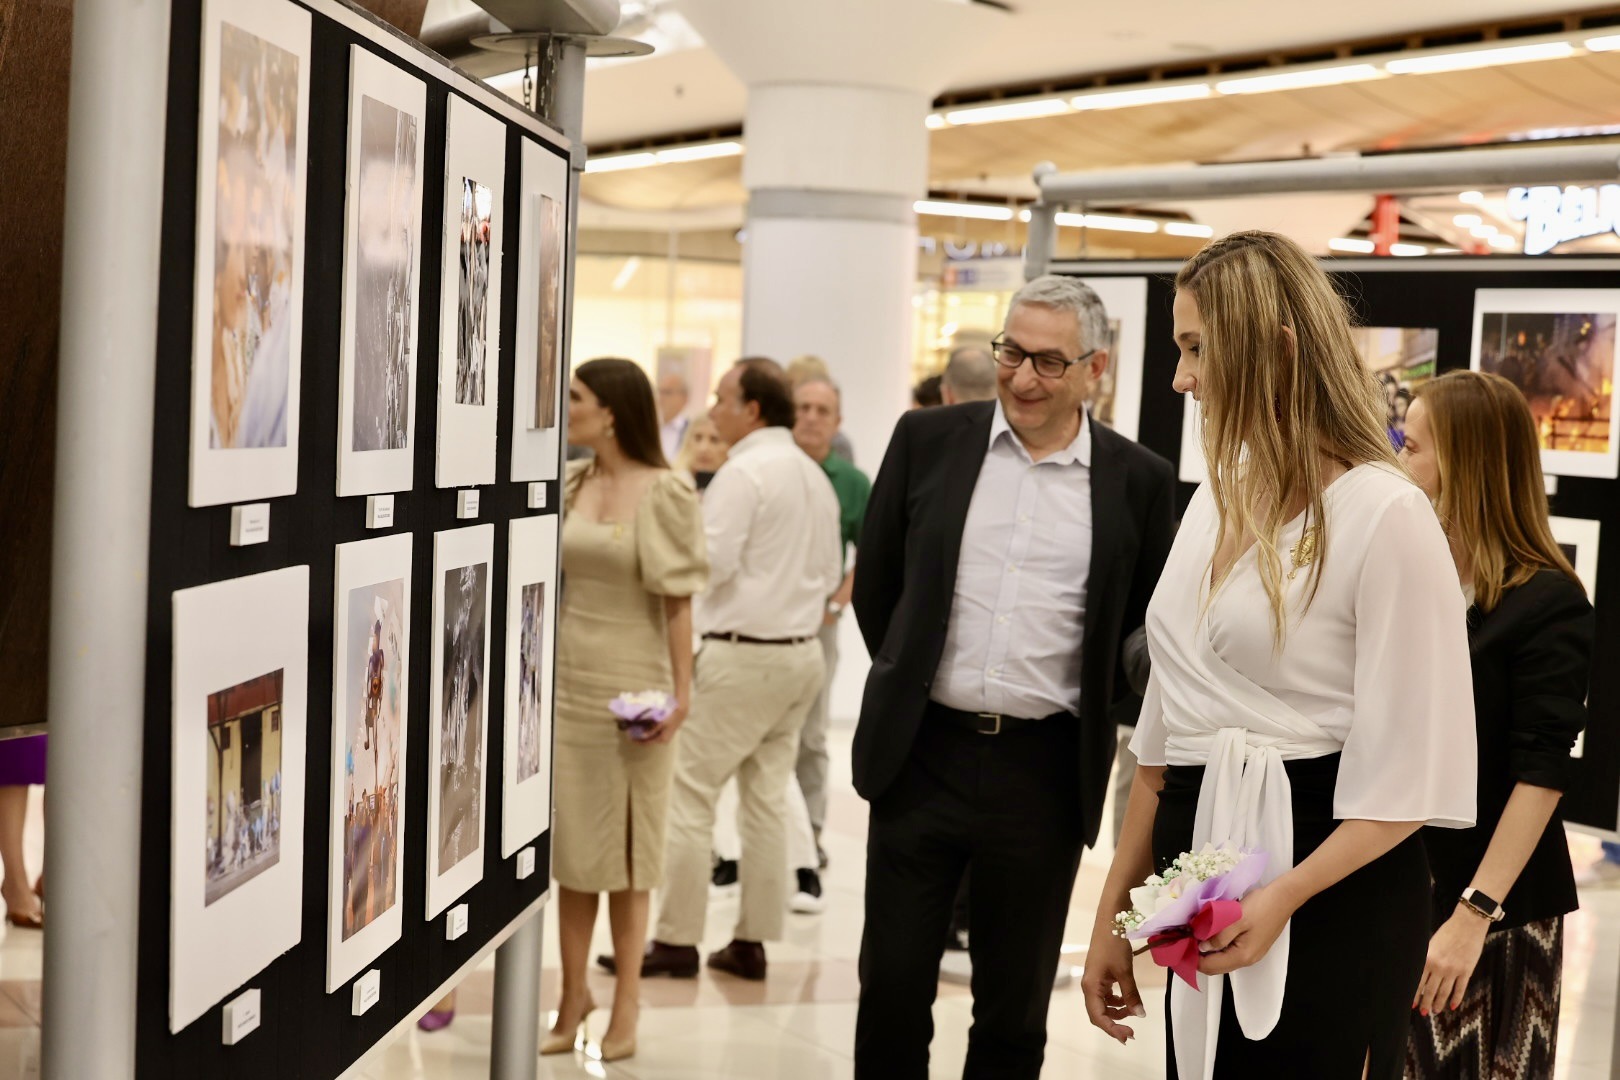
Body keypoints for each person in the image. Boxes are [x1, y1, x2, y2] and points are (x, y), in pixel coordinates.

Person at [1081, 231, 1477, 1080]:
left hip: (1333, 889)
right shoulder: (1213, 502)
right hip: (1205, 864)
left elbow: (1413, 776)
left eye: (1195, 348)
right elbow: (1162, 742)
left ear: (1280, 346)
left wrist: (1286, 895)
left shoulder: (1386, 516)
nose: (1180, 378)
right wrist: (1115, 917)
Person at [852, 275, 1176, 1078]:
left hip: (1043, 770)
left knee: (1013, 1003)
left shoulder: (1136, 480)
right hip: (921, 753)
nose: (1023, 378)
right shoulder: (928, 440)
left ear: (1095, 369)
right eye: (1010, 353)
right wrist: (907, 677)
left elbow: (1144, 627)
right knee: (891, 985)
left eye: (1048, 362)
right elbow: (878, 588)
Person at [1400, 371, 1594, 1079]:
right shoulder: (1415, 575)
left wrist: (1473, 914)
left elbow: (1543, 770)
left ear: (1464, 463)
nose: (1399, 461)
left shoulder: (1546, 599)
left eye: (1411, 446)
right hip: (1401, 888)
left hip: (1492, 906)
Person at [638, 357, 842, 981]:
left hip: (742, 654)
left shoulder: (744, 472)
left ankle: (675, 940)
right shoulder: (814, 476)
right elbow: (832, 573)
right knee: (765, 797)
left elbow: (709, 564)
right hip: (801, 654)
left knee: (690, 794)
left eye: (724, 398)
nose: (715, 409)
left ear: (752, 409)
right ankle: (751, 941)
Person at [543, 358, 708, 1063]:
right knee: (575, 855)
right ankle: (573, 994)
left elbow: (678, 603)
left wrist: (681, 693)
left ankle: (628, 1001)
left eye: (574, 396)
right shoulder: (574, 481)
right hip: (567, 687)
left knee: (631, 858)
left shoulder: (667, 491)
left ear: (610, 411)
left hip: (635, 696)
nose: (565, 406)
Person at [790, 375, 872, 907]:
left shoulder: (851, 481)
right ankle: (736, 851)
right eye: (803, 407)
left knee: (812, 738)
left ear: (837, 421)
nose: (812, 417)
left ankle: (811, 837)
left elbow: (867, 552)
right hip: (760, 628)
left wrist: (838, 603)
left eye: (823, 409)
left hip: (816, 627)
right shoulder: (772, 469)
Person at [786, 354, 856, 463]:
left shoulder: (839, 444)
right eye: (804, 407)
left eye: (822, 411)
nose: (811, 418)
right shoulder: (779, 434)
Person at [674, 413, 728, 494]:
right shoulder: (672, 484)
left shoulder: (732, 488)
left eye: (714, 440)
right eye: (698, 438)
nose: (703, 448)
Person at [656, 371, 692, 464]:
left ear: (684, 398)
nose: (661, 397)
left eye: (667, 392)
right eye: (660, 392)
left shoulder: (691, 430)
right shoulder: (649, 427)